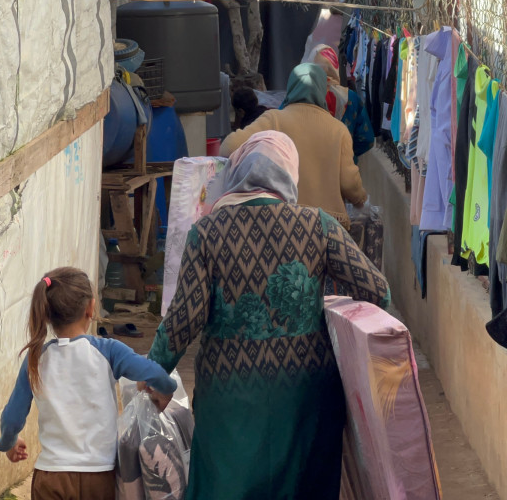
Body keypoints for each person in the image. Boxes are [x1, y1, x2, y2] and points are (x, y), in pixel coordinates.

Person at [143, 131, 391, 500]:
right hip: (306, 399)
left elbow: (183, 320)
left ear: (238, 173)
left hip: (230, 400)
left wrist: (152, 376)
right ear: (289, 174)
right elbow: (377, 291)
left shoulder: (207, 233)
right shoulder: (319, 225)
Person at [0, 267, 176, 500]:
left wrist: (8, 443)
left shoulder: (35, 359)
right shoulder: (108, 351)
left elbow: (12, 418)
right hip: (99, 476)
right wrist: (166, 390)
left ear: (47, 314)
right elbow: (155, 373)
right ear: (91, 308)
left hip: (51, 476)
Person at [220, 63, 367, 229]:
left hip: (283, 223)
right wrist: (361, 199)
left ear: (291, 88)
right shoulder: (338, 130)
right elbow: (349, 184)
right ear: (323, 90)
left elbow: (228, 147)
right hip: (326, 226)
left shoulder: (273, 119)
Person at [307, 44, 374, 161]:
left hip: (309, 167)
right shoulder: (351, 98)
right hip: (343, 169)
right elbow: (367, 139)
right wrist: (348, 152)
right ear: (335, 66)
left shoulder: (301, 95)